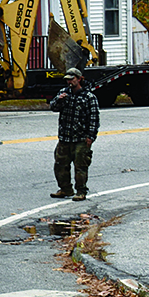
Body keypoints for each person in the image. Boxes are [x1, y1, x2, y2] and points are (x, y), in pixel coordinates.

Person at [49, 67, 98, 202]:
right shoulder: (64, 93)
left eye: (72, 79)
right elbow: (53, 107)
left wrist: (91, 136)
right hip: (65, 137)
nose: (69, 82)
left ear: (79, 79)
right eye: (68, 80)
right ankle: (65, 189)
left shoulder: (89, 97)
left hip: (80, 138)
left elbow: (94, 118)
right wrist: (59, 100)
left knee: (80, 166)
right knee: (60, 164)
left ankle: (81, 191)